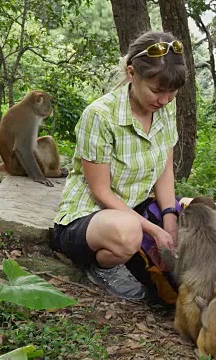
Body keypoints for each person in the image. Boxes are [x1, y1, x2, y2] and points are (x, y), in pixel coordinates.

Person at [51, 31, 186, 301]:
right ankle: (103, 269)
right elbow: (101, 192)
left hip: (138, 205)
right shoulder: (100, 115)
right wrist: (155, 230)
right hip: (92, 218)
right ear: (132, 72)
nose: (164, 100)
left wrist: (170, 218)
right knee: (127, 232)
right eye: (157, 91)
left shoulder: (165, 108)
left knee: (213, 214)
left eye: (172, 93)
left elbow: (164, 169)